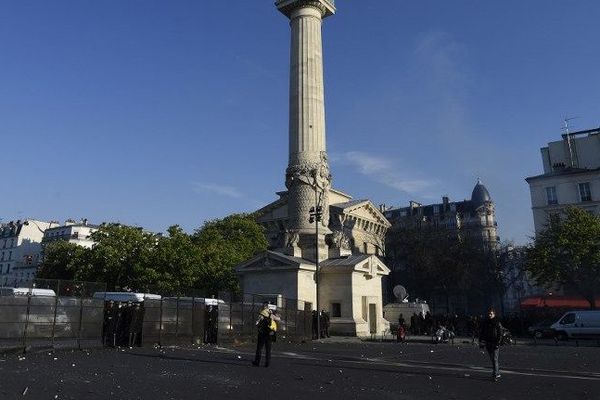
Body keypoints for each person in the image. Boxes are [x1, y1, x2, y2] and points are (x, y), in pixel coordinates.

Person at [479, 307, 503, 381]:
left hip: (494, 342)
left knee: (494, 359)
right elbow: (482, 333)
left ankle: (496, 375)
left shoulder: (497, 322)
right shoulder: (486, 322)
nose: (490, 315)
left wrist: (498, 343)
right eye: (489, 314)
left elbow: (500, 333)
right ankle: (496, 373)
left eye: (491, 314)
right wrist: (481, 342)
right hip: (488, 342)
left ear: (494, 314)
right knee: (493, 359)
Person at [253, 302, 274, 367]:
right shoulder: (271, 313)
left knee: (259, 348)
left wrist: (257, 325)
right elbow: (275, 320)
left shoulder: (262, 313)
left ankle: (257, 362)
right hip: (269, 333)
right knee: (268, 349)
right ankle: (267, 363)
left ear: (264, 306)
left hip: (262, 332)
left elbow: (257, 322)